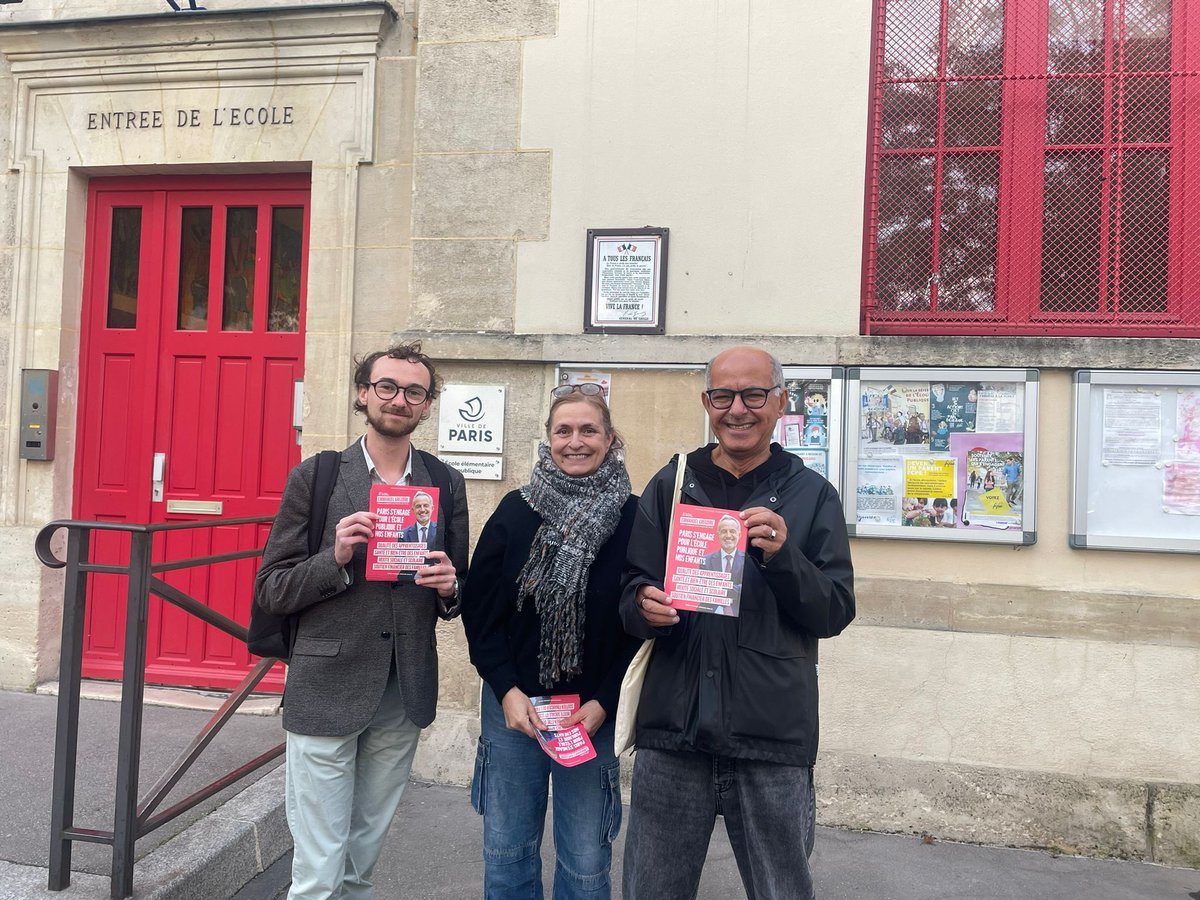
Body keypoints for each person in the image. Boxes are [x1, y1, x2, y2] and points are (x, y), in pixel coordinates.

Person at [619, 346, 856, 900]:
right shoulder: (672, 483)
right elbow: (630, 589)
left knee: (781, 890)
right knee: (652, 889)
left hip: (770, 738)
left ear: (781, 402)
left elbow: (834, 610)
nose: (738, 410)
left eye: (753, 395)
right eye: (723, 396)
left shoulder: (812, 494)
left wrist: (784, 557)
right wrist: (642, 604)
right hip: (673, 733)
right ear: (707, 403)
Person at [254, 342, 468, 900]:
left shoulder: (445, 482)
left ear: (427, 404)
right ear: (363, 394)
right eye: (387, 387)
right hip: (326, 684)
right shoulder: (318, 475)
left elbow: (457, 590)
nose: (399, 400)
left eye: (414, 392)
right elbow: (271, 588)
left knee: (360, 863)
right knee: (318, 871)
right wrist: (336, 557)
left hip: (403, 688)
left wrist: (451, 587)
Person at [462, 382, 639, 899]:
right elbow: (481, 612)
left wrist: (606, 701)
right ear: (548, 438)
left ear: (609, 439)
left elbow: (640, 626)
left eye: (589, 430)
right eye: (564, 431)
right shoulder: (515, 510)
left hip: (591, 714)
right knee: (508, 854)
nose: (575, 442)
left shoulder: (635, 518)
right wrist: (505, 689)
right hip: (513, 707)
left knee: (586, 863)